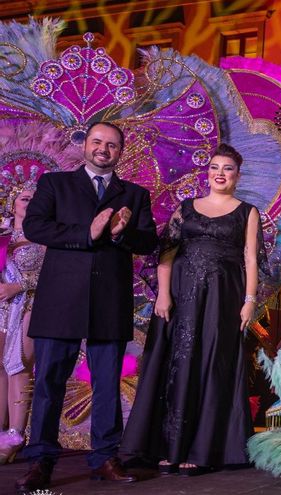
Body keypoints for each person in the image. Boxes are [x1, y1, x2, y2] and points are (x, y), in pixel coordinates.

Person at [16, 122, 159, 493]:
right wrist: (87, 234)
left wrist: (121, 231)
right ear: (86, 145)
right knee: (48, 382)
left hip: (109, 301)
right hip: (60, 299)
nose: (103, 149)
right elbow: (35, 227)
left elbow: (147, 242)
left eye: (111, 145)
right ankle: (41, 460)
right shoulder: (55, 184)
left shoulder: (134, 194)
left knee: (107, 382)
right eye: (97, 142)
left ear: (120, 151)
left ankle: (105, 457)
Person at [121, 143, 261, 475]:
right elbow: (166, 255)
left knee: (211, 365)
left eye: (227, 168)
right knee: (176, 364)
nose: (220, 174)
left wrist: (249, 302)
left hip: (223, 299)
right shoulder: (185, 209)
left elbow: (251, 260)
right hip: (181, 298)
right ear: (207, 172)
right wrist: (163, 295)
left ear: (237, 175)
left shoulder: (247, 212)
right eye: (214, 167)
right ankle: (168, 448)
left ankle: (201, 450)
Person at [0, 187, 44, 464]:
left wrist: (19, 285)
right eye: (25, 198)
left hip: (29, 304)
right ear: (12, 204)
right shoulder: (2, 237)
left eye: (35, 199)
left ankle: (15, 435)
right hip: (1, 306)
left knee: (18, 365)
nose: (30, 203)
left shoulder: (46, 237)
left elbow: (57, 275)